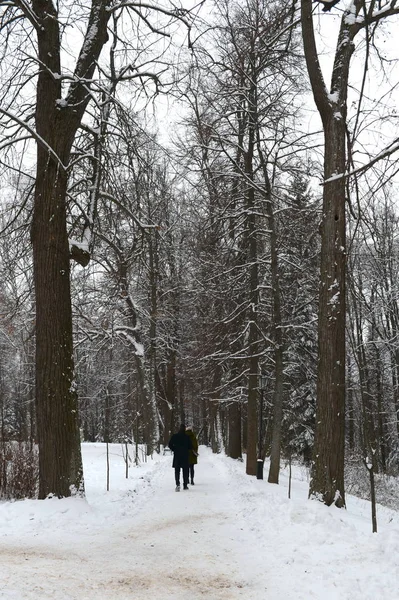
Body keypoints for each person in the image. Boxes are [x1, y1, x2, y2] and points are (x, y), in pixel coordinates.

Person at [168, 424, 192, 491]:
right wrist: (186, 449)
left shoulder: (175, 436)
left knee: (177, 470)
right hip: (185, 455)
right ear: (184, 429)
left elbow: (170, 444)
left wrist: (174, 449)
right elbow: (190, 446)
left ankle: (177, 484)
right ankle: (185, 485)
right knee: (185, 471)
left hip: (177, 455)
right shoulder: (187, 437)